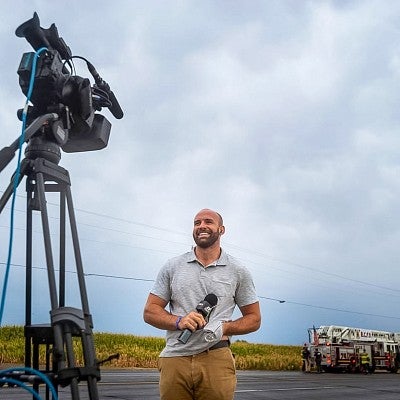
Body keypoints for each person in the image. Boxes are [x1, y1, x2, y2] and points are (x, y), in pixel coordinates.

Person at [143, 208, 261, 400]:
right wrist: (179, 321)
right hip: (175, 357)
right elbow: (150, 311)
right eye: (197, 223)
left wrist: (224, 327)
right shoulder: (172, 266)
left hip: (216, 357)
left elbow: (254, 319)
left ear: (221, 229)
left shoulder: (238, 270)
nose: (202, 226)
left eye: (208, 222)